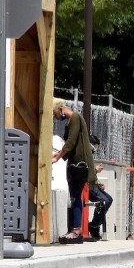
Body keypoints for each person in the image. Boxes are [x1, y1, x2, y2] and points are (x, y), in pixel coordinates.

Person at [51, 98, 96, 244]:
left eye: (55, 114)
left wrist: (58, 156)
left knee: (76, 197)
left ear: (60, 109)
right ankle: (75, 229)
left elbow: (71, 142)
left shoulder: (75, 118)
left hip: (80, 165)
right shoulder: (70, 122)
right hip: (74, 164)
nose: (56, 118)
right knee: (74, 197)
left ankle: (76, 231)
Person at [87, 134, 113, 240]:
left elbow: (91, 175)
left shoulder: (90, 155)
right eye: (95, 147)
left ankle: (94, 224)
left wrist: (98, 183)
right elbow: (85, 173)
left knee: (109, 199)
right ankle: (94, 226)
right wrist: (96, 170)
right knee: (104, 201)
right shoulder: (84, 153)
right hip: (86, 186)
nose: (95, 150)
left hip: (93, 184)